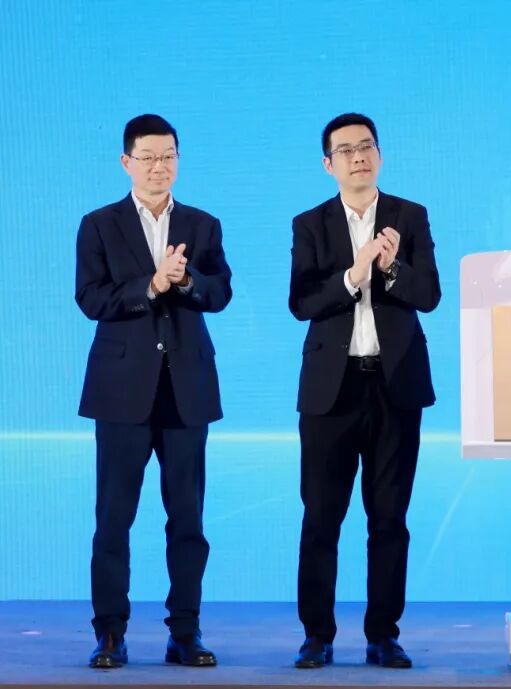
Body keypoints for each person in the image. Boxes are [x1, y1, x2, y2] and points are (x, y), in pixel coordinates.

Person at [75, 114, 231, 668]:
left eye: (168, 156)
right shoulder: (99, 224)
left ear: (178, 160)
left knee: (188, 519)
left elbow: (220, 292)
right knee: (113, 519)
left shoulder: (202, 224)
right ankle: (110, 634)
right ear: (127, 162)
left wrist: (184, 281)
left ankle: (184, 632)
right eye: (148, 157)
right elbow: (91, 298)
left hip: (186, 388)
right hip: (121, 390)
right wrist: (151, 285)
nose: (158, 166)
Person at [289, 112, 440, 670]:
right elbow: (302, 302)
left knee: (390, 518)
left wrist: (391, 267)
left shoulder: (409, 216)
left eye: (367, 147)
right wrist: (354, 276)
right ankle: (317, 636)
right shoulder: (310, 224)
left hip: (394, 386)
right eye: (346, 150)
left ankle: (383, 635)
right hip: (331, 391)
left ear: (379, 155)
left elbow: (430, 295)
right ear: (328, 164)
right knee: (321, 518)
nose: (358, 157)